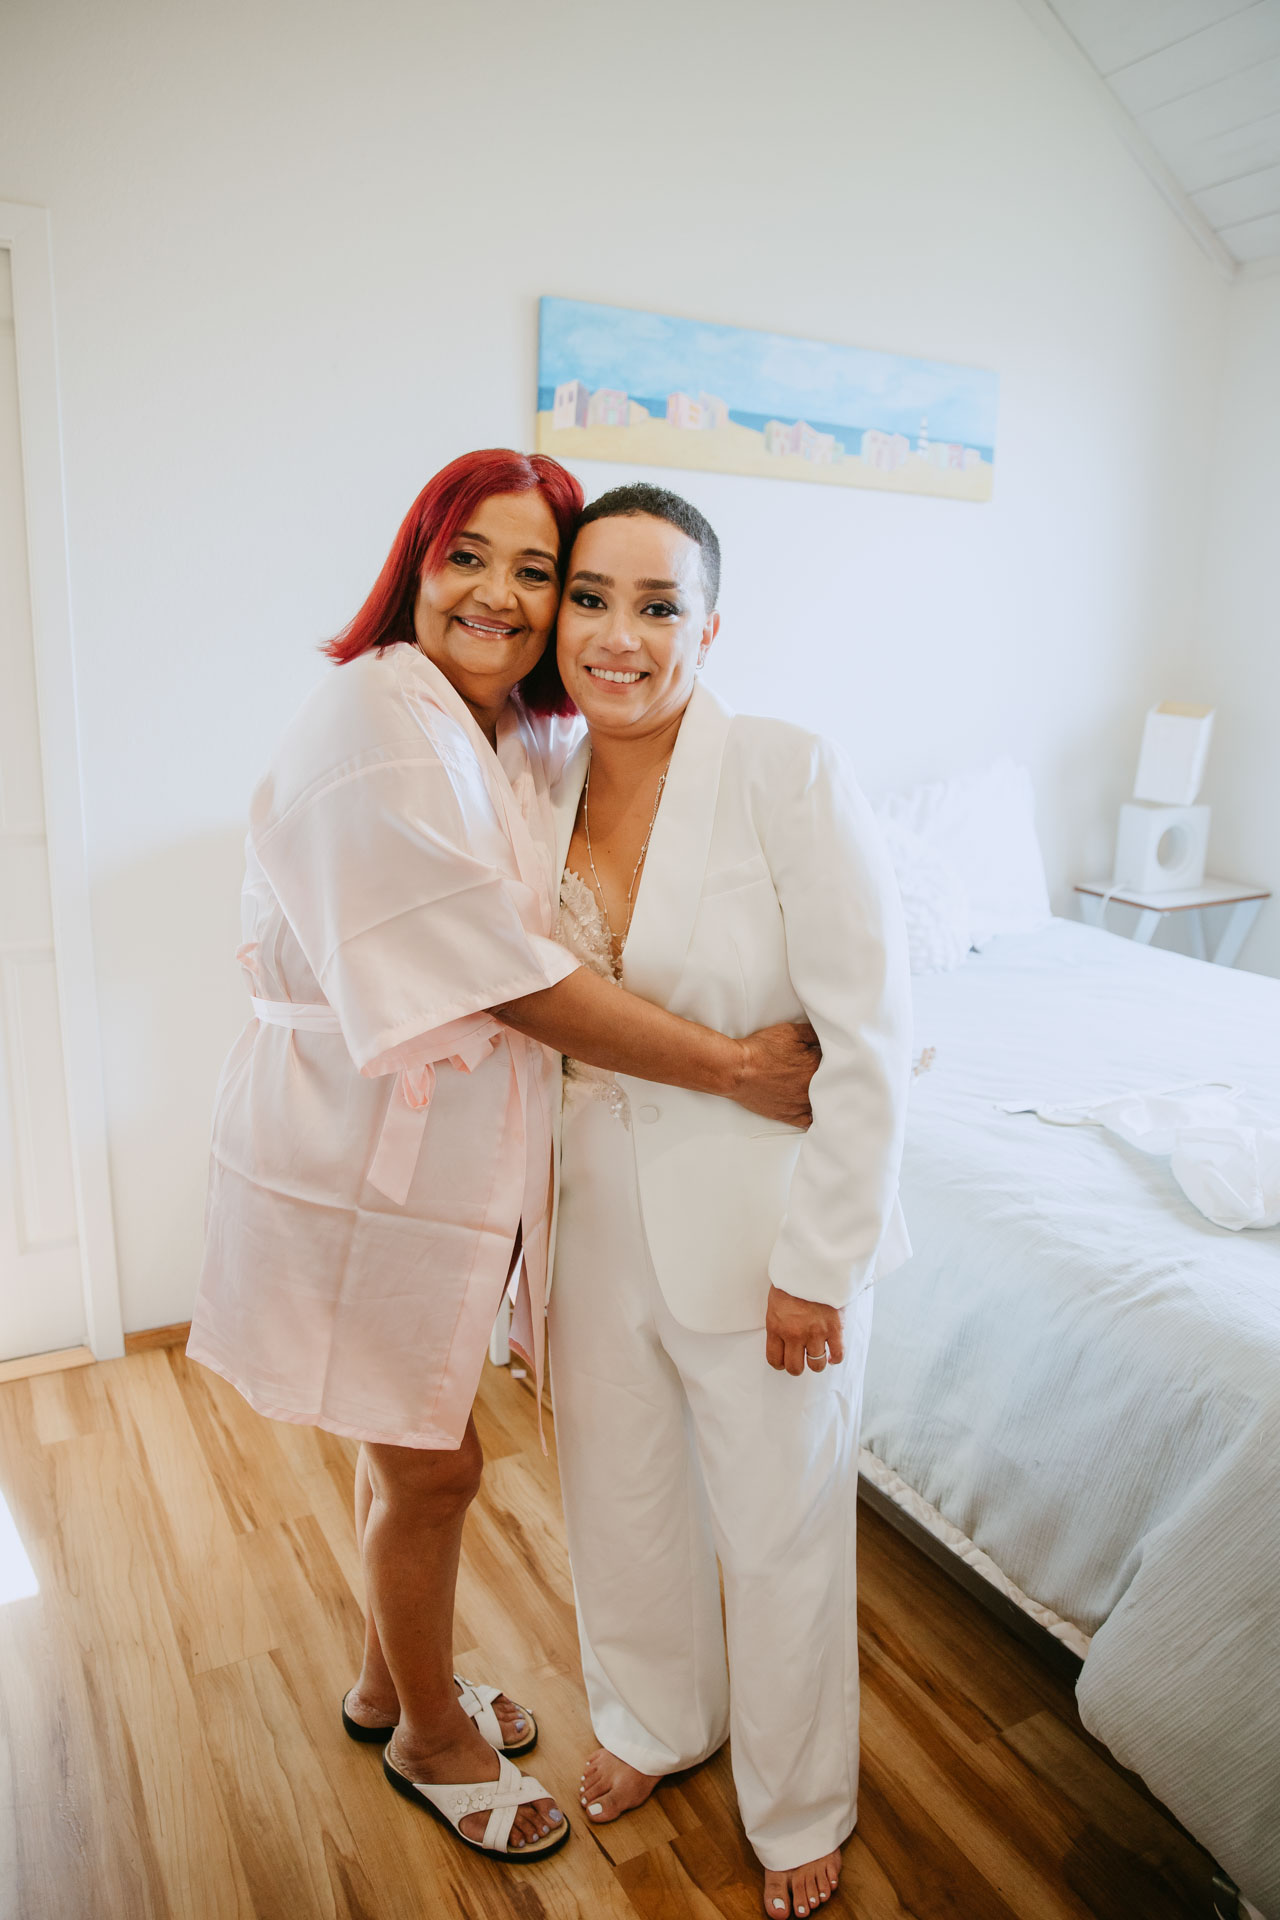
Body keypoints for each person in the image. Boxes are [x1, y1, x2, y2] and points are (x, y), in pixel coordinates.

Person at [186, 451, 817, 1866]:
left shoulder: (505, 733)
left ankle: (382, 1684)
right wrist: (731, 1068)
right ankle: (430, 1734)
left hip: (417, 1155)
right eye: (468, 556)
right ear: (415, 563)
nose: (501, 595)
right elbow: (508, 975)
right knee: (435, 1468)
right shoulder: (375, 720)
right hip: (350, 1150)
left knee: (402, 1435)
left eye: (539, 572)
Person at [547, 483, 912, 1918]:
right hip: (588, 1220)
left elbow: (868, 1038)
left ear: (708, 628)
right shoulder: (531, 780)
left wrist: (822, 1262)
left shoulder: (784, 770)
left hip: (767, 1231)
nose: (617, 635)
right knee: (620, 1504)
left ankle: (800, 1804)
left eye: (657, 606)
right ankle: (653, 1720)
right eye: (590, 598)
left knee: (781, 1532)